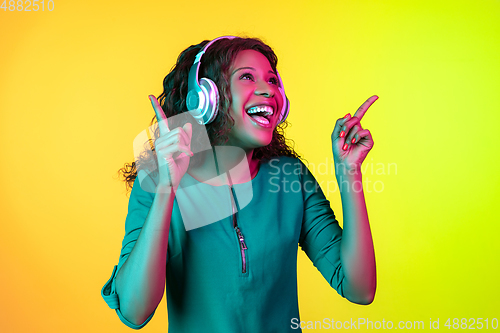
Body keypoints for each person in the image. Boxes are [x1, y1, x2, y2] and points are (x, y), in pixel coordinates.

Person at [101, 36, 377, 332]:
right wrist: (167, 188)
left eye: (272, 80)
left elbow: (359, 289)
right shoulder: (156, 185)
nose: (268, 90)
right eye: (247, 77)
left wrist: (349, 174)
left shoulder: (289, 177)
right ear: (206, 98)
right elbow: (134, 311)